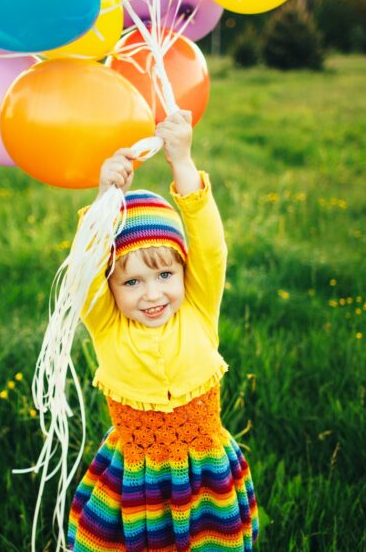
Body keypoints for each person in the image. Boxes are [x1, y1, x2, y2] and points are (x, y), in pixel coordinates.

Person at [67, 110, 259, 551]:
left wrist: (183, 163)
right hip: (137, 478)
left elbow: (210, 245)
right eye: (131, 282)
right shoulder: (108, 323)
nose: (152, 295)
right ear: (112, 286)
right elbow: (84, 272)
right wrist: (104, 201)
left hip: (205, 474)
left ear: (184, 271)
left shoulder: (197, 307)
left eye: (164, 276)